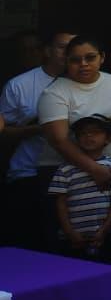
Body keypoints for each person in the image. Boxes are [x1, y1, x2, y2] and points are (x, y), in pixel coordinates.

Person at [36, 35, 111, 247]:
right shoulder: (54, 92)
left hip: (107, 170)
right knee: (67, 241)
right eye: (75, 60)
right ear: (66, 62)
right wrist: (93, 169)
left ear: (102, 58)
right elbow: (59, 140)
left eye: (90, 57)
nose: (83, 64)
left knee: (107, 238)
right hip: (63, 173)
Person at [0, 28, 73, 249]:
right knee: (31, 243)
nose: (69, 53)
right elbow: (3, 133)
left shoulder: (94, 83)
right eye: (62, 47)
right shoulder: (19, 85)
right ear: (48, 51)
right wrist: (37, 128)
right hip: (29, 173)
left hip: (78, 175)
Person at [48, 114, 111, 258]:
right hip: (71, 237)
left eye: (95, 132)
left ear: (108, 138)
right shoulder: (65, 169)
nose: (88, 136)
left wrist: (105, 229)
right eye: (82, 133)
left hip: (102, 235)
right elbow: (60, 203)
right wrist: (69, 232)